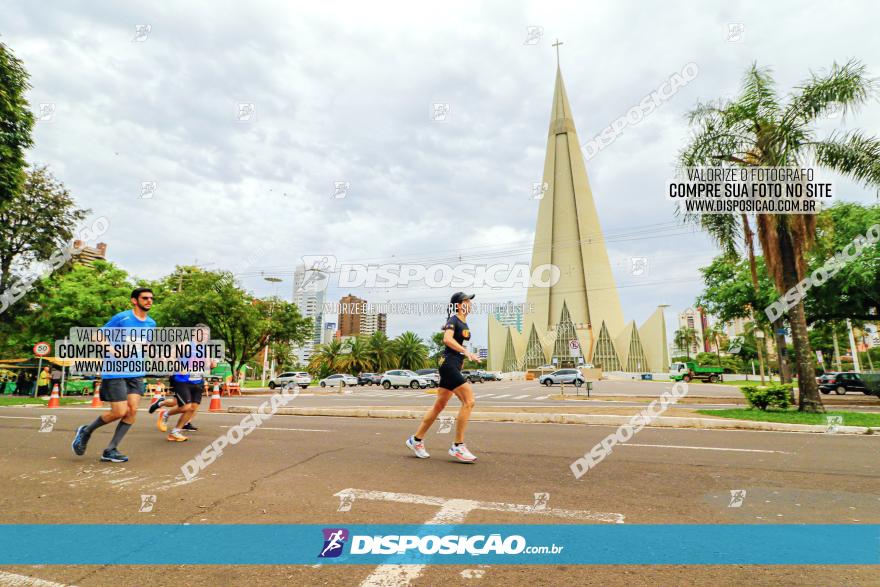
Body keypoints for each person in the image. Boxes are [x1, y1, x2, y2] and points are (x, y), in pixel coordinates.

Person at [71, 288, 156, 462]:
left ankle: (111, 450)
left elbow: (145, 344)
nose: (149, 301)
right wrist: (112, 350)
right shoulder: (122, 318)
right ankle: (86, 430)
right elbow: (97, 335)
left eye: (151, 298)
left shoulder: (151, 323)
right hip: (116, 370)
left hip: (136, 371)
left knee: (132, 411)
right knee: (119, 411)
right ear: (134, 300)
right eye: (145, 298)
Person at [406, 292, 480, 463]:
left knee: (439, 405)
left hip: (451, 366)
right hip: (448, 365)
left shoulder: (463, 322)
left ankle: (415, 440)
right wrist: (466, 352)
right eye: (467, 301)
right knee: (469, 401)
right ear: (459, 305)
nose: (470, 303)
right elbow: (447, 339)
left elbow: (457, 346)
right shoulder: (453, 320)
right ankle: (458, 446)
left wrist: (462, 360)